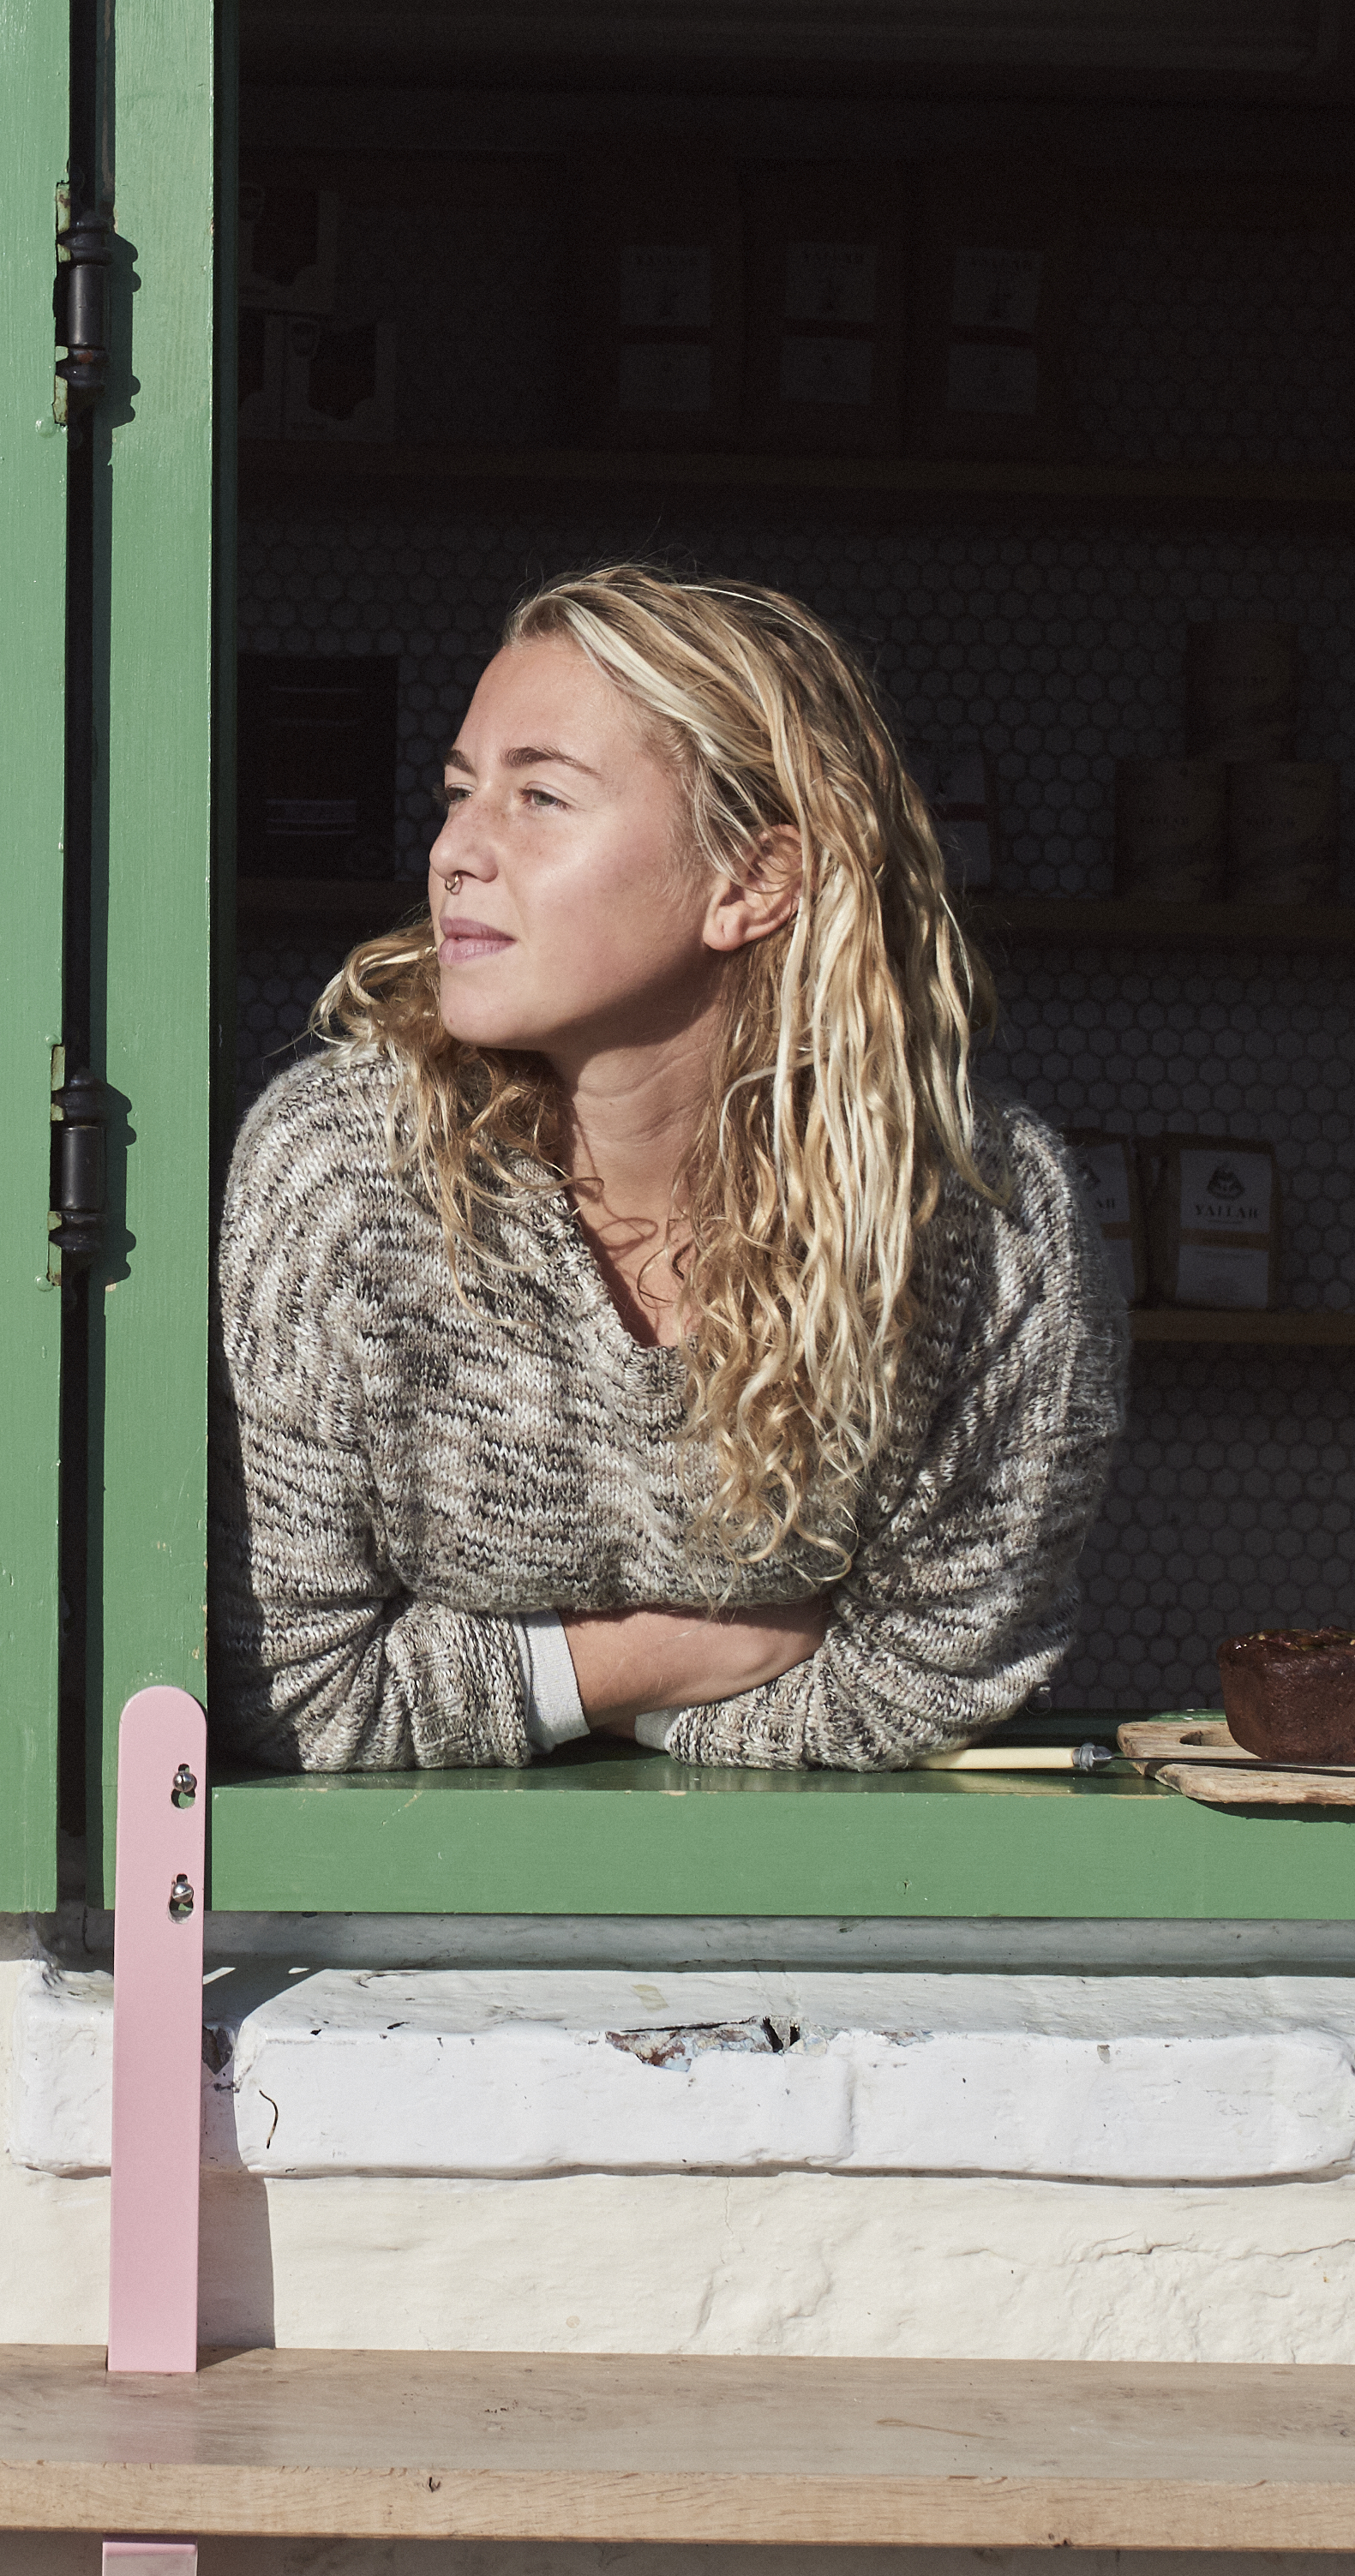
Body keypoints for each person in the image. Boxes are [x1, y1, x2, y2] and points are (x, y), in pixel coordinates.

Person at [220, 564, 1122, 1771]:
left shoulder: (980, 1221)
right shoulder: (336, 1177)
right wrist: (645, 1660)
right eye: (457, 792)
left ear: (751, 879)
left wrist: (488, 1683)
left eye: (538, 795)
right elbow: (300, 1698)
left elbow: (927, 1686)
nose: (453, 852)